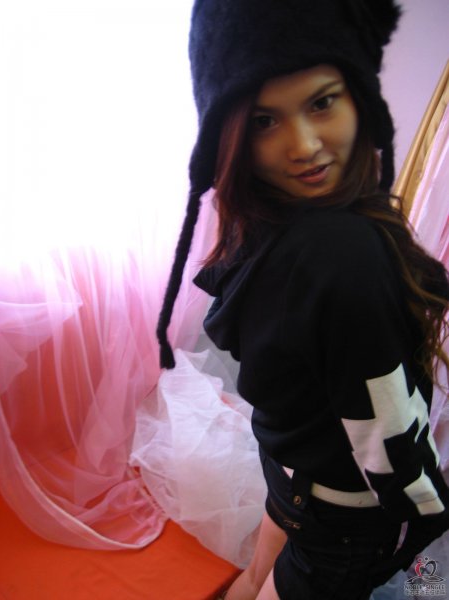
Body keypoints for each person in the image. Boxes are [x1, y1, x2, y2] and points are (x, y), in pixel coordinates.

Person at [156, 1, 449, 598]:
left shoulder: (267, 218)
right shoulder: (345, 252)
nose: (304, 145)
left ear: (356, 95)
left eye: (321, 103)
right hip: (341, 513)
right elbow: (387, 429)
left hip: (288, 471)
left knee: (255, 575)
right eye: (265, 120)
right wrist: (427, 526)